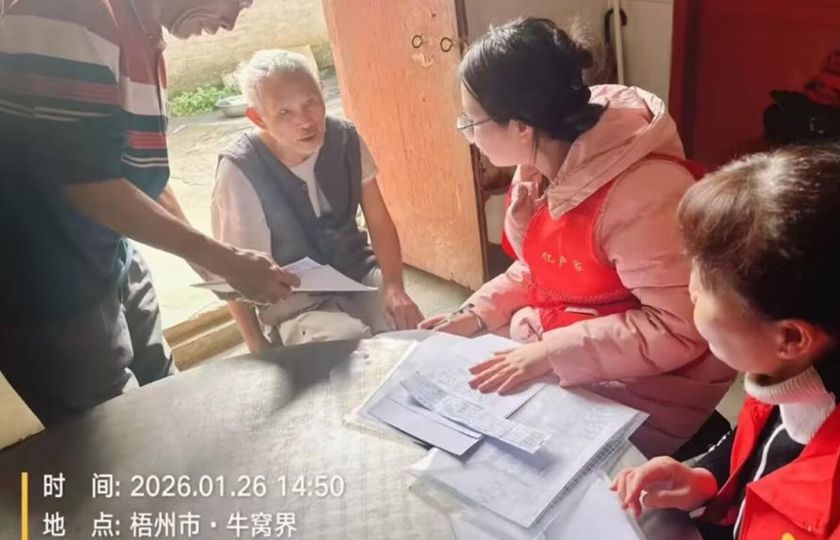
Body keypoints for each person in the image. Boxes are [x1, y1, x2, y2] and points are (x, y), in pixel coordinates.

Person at [420, 17, 735, 457]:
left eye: (472, 121)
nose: (469, 136)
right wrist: (475, 314)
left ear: (521, 126)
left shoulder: (643, 194)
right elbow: (542, 268)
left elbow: (680, 328)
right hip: (584, 339)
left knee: (509, 455)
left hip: (659, 383)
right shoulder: (542, 162)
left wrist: (551, 353)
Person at [612, 141, 840, 539]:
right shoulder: (821, 361)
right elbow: (767, 445)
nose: (690, 289)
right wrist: (710, 477)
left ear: (791, 337)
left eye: (705, 283)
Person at [0, 0, 298, 426]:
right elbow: (88, 185)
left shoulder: (143, 30)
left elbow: (135, 170)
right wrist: (223, 259)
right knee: (115, 434)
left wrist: (212, 265)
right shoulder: (71, 11)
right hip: (49, 285)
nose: (230, 21)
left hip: (107, 251)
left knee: (165, 398)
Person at [212, 49, 423, 352]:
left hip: (358, 275)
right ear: (258, 117)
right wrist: (256, 344)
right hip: (294, 301)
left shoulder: (345, 138)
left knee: (412, 333)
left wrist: (393, 287)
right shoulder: (240, 169)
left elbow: (379, 221)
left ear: (323, 92)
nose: (305, 121)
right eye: (284, 112)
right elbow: (231, 267)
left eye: (310, 102)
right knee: (351, 348)